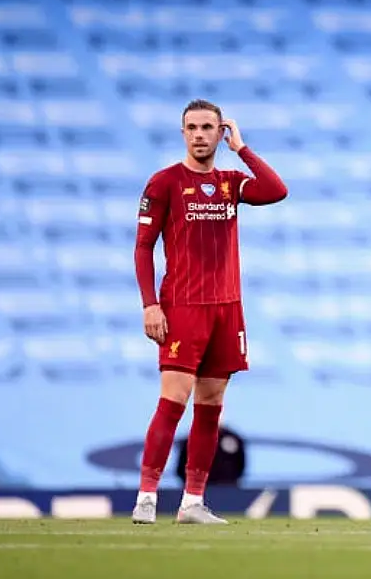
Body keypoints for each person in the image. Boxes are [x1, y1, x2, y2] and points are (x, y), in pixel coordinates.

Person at [131, 99, 288, 524]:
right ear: (182, 133)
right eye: (192, 128)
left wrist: (243, 149)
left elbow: (276, 190)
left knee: (211, 404)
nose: (199, 135)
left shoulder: (231, 183)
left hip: (227, 309)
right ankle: (146, 496)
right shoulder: (164, 183)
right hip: (182, 306)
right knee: (173, 399)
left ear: (221, 132)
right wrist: (150, 304)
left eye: (208, 128)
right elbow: (143, 247)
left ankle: (192, 502)